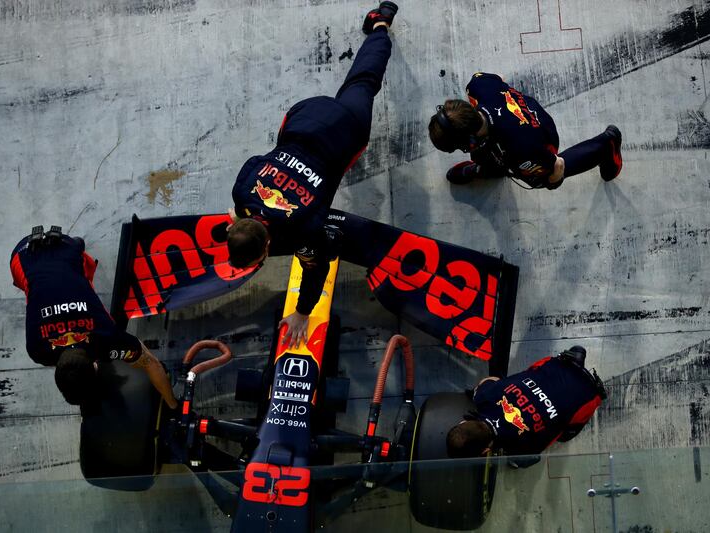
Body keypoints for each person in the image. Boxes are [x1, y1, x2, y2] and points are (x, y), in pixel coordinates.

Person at [227, 2, 399, 347]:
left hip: (344, 132)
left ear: (266, 250)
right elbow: (255, 160)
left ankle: (383, 25)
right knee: (356, 84)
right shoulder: (242, 192)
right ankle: (377, 25)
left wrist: (302, 312)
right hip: (306, 114)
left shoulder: (304, 229)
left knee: (365, 81)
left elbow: (316, 268)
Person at [10, 226, 179, 409]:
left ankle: (75, 248)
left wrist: (173, 406)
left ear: (96, 366)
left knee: (83, 272)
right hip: (25, 253)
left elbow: (150, 363)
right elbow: (151, 363)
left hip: (44, 253)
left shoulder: (108, 339)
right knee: (37, 286)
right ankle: (72, 247)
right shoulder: (38, 351)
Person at [429, 72, 623, 190]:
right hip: (518, 117)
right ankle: (489, 169)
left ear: (469, 140)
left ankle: (606, 145)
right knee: (484, 150)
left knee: (541, 180)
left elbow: (557, 166)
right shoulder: (477, 86)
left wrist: (553, 182)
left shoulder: (521, 152)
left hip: (540, 136)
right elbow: (500, 79)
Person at [446, 346, 606, 462]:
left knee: (558, 438)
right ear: (464, 421)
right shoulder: (484, 396)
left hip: (588, 395)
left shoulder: (520, 449)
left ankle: (594, 389)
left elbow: (535, 455)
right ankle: (574, 362)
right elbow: (491, 380)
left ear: (486, 450)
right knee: (527, 375)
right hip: (559, 364)